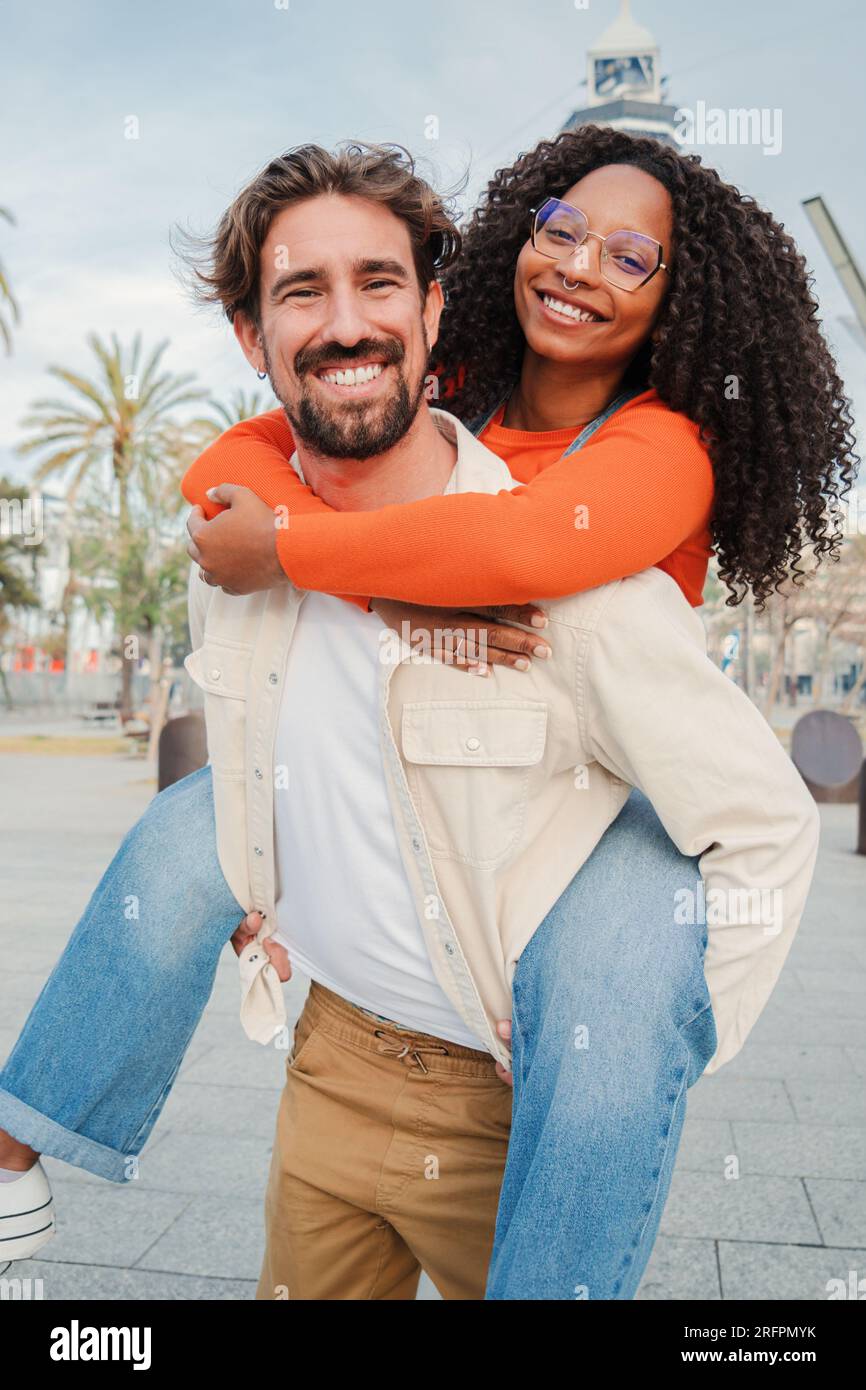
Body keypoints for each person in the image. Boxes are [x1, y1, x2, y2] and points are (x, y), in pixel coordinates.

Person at [0, 135, 848, 1299]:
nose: (579, 265)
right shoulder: (450, 398)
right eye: (559, 228)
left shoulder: (661, 446)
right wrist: (374, 600)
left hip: (605, 799)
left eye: (630, 255)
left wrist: (296, 550)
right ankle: (19, 1140)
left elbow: (525, 549)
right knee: (192, 830)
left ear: (676, 298)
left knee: (612, 1022)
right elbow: (229, 467)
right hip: (428, 866)